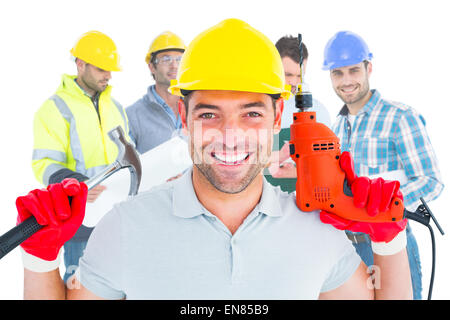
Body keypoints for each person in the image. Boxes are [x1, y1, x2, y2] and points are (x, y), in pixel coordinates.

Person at [18, 19, 412, 300]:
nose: (230, 134)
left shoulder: (318, 232)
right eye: (209, 114)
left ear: (277, 117)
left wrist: (389, 244)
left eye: (251, 113)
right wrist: (39, 261)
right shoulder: (124, 226)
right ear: (183, 117)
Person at [323, 30, 444, 299]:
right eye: (337, 73)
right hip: (345, 247)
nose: (346, 81)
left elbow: (431, 181)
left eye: (354, 70)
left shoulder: (400, 117)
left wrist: (388, 205)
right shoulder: (335, 128)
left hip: (389, 243)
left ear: (369, 68)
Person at [30, 30, 131, 284]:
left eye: (110, 70)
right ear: (80, 64)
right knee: (81, 287)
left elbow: (130, 156)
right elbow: (44, 164)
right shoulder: (54, 108)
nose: (108, 76)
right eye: (101, 69)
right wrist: (80, 183)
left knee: (121, 286)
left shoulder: (117, 108)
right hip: (81, 221)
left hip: (118, 218)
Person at [265, 36, 332, 192]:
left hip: (303, 204)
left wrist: (296, 171)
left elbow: (326, 167)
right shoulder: (256, 109)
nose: (294, 82)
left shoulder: (318, 111)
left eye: (299, 76)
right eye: (288, 75)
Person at [126, 31, 186, 154]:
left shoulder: (196, 108)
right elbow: (128, 166)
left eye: (179, 59)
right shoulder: (132, 115)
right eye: (166, 59)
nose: (174, 65)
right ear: (152, 67)